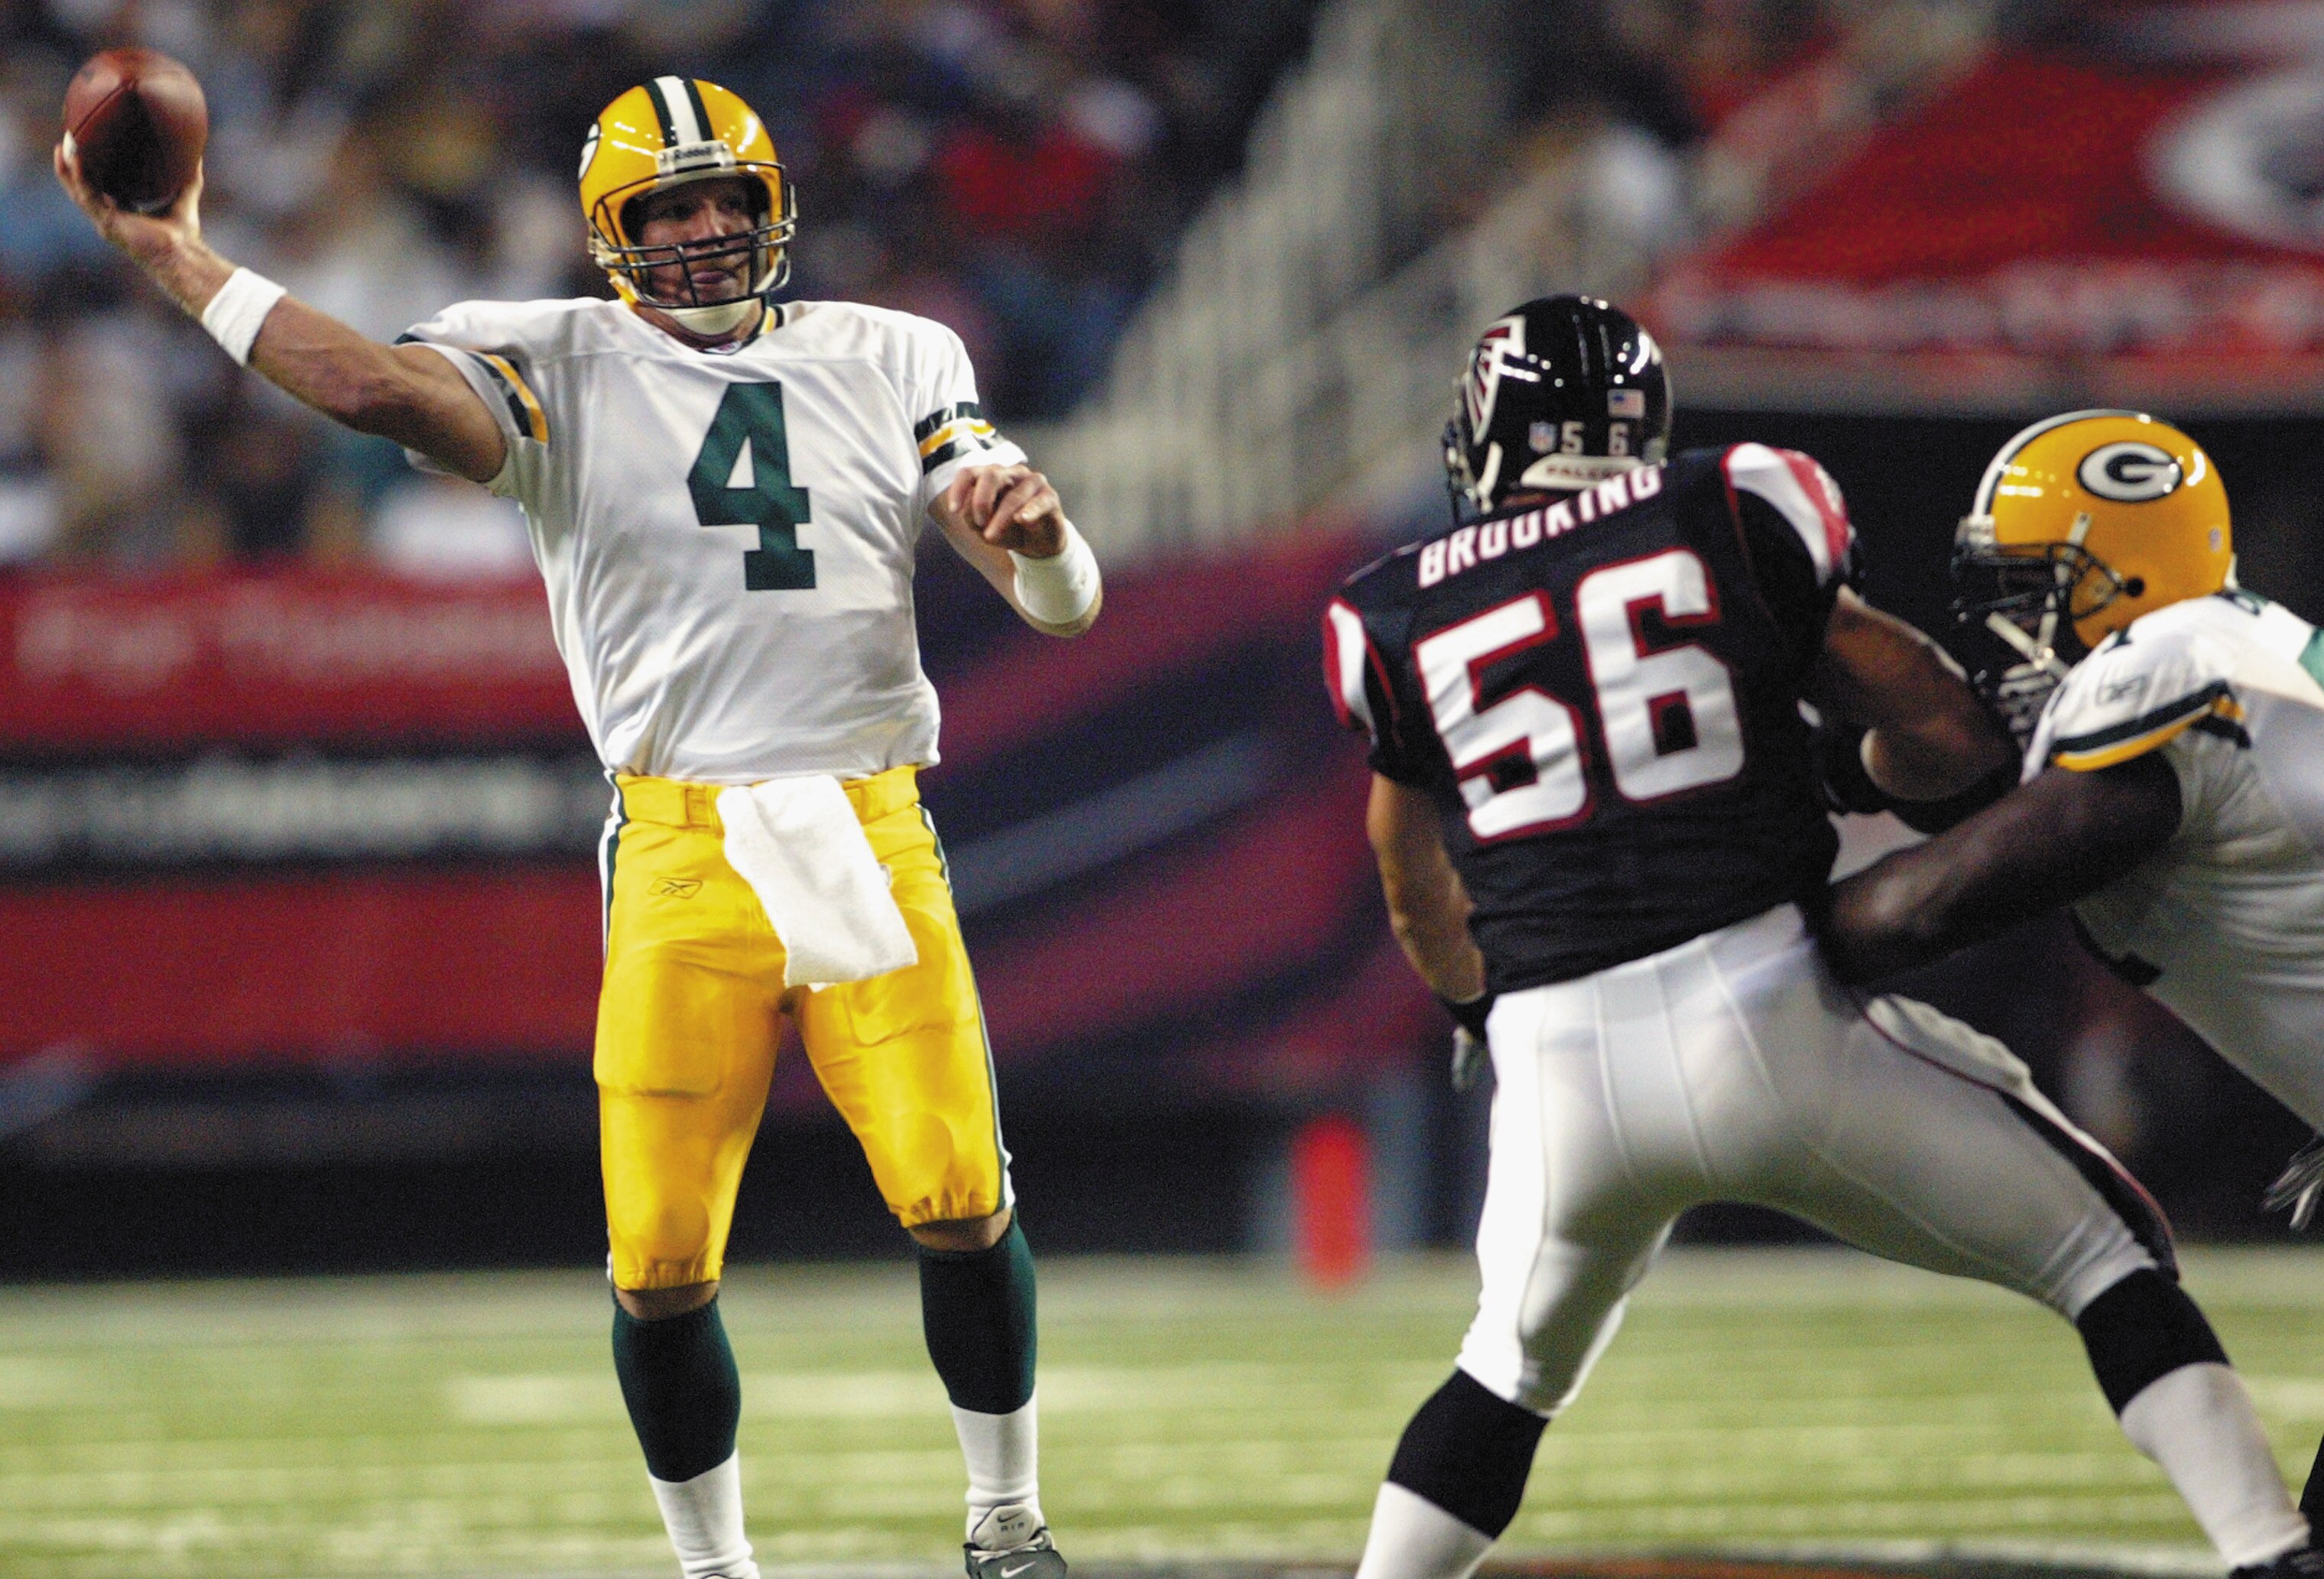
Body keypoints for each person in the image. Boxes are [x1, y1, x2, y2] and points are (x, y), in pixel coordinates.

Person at [57, 76, 1100, 1579]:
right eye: (664, 210)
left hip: (868, 815)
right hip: (682, 844)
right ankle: (712, 1566)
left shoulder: (893, 349)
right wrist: (178, 259)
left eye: (722, 202)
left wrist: (1048, 541)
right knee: (660, 1259)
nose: (698, 233)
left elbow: (1062, 609)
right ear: (611, 232)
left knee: (957, 1190)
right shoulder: (556, 356)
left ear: (771, 210)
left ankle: (1006, 1522)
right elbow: (363, 388)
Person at [1322, 300, 2314, 1579]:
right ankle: (2267, 1548)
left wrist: (1481, 1012)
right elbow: (1942, 728)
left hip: (1553, 1061)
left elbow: (1411, 881)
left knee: (1504, 1375)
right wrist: (1844, 773)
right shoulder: (1730, 501)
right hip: (1759, 1004)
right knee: (2105, 1247)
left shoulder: (1392, 609)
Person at [1818, 407, 2324, 1538]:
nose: (2003, 627)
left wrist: (1711, 924)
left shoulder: (2168, 666)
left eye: (2031, 587)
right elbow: (1982, 789)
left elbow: (1929, 905)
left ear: (2127, 580)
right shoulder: (2248, 651)